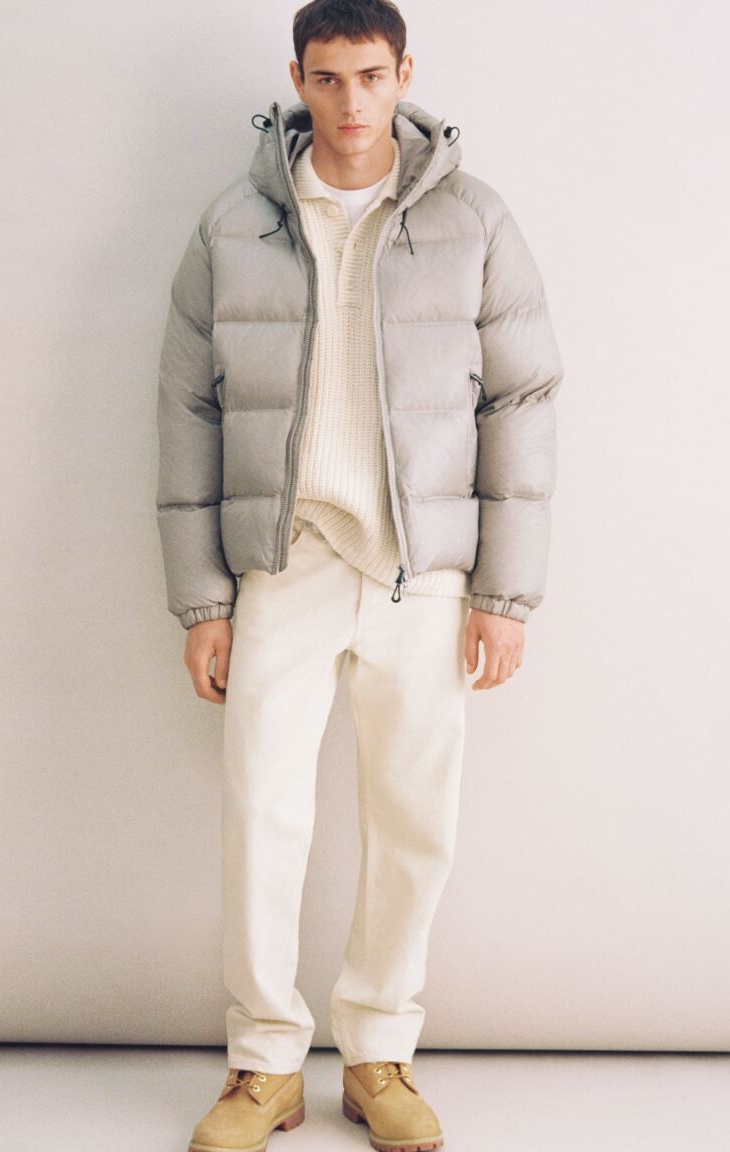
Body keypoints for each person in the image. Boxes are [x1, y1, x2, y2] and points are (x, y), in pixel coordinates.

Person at [155, 1, 564, 1148]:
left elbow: (524, 395)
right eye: (328, 79)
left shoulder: (473, 220)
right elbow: (186, 408)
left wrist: (503, 593)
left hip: (420, 577)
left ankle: (380, 1054)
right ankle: (263, 1066)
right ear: (298, 79)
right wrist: (203, 599)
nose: (351, 103)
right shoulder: (235, 223)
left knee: (413, 821)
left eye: (371, 77)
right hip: (283, 564)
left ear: (403, 74)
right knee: (260, 816)